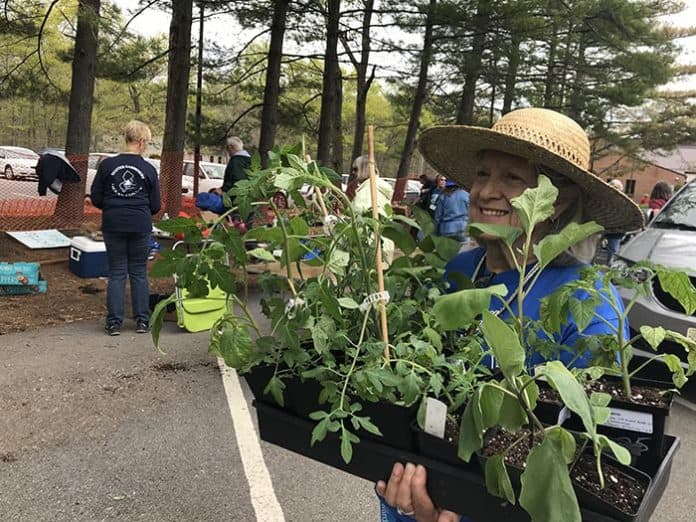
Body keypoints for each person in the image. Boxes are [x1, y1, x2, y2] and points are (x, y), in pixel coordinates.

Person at [375, 107, 644, 521]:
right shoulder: (461, 271)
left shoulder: (588, 301)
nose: (485, 192)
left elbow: (579, 459)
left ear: (558, 201)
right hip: (416, 486)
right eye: (483, 174)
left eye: (513, 178)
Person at [90, 120, 161, 336]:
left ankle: (114, 322)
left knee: (117, 272)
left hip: (113, 223)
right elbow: (156, 205)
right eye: (147, 142)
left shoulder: (107, 166)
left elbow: (96, 197)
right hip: (140, 224)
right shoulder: (148, 169)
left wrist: (113, 207)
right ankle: (141, 321)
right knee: (139, 272)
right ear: (140, 142)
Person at [350, 154, 395, 264]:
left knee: (368, 278)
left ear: (365, 169)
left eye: (356, 169)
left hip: (370, 244)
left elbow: (359, 214)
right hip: (384, 241)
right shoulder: (380, 186)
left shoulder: (369, 188)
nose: (353, 173)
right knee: (379, 278)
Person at [434, 179, 469, 245]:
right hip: (463, 227)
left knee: (448, 253)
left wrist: (437, 232)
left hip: (446, 229)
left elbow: (437, 216)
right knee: (464, 251)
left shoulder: (443, 196)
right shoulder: (465, 194)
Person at [602, 178, 626, 260]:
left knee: (613, 250)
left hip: (616, 231)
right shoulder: (604, 200)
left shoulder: (623, 202)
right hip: (604, 228)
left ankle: (610, 266)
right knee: (596, 248)